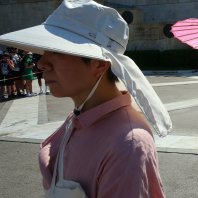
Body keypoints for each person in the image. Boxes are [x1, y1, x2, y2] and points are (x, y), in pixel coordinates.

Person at [0, 0, 172, 197]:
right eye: (44, 52)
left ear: (99, 65)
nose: (42, 63)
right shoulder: (80, 116)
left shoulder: (127, 145)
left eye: (56, 51)